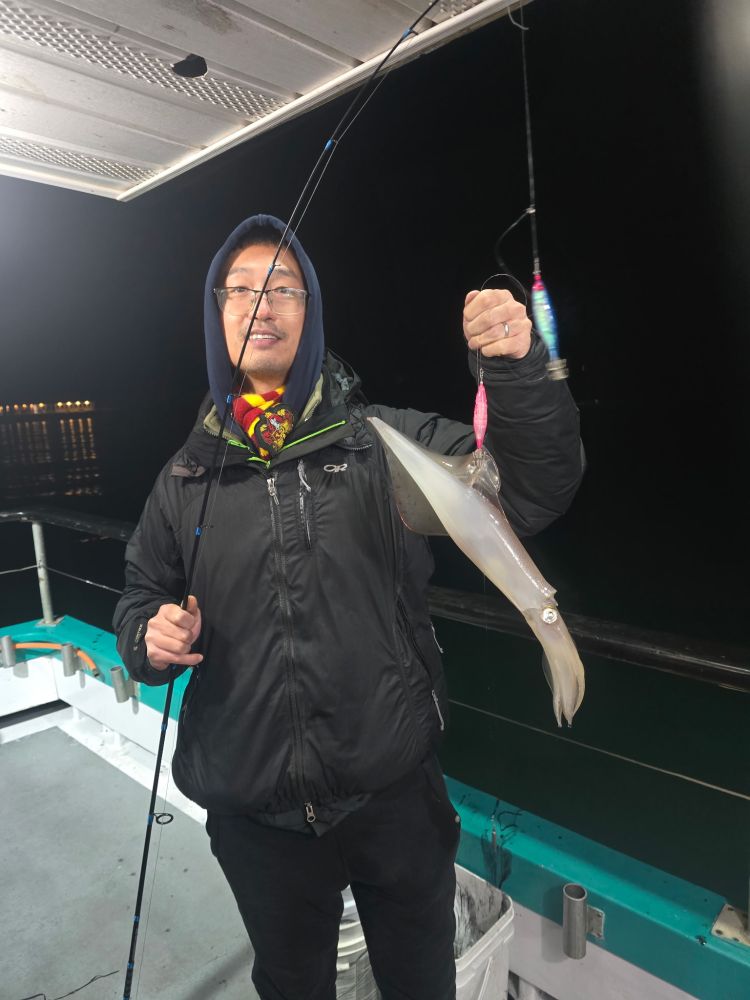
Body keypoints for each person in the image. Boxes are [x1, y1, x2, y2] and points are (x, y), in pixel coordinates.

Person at [113, 214, 583, 1000]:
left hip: (392, 798)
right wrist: (147, 638)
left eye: (283, 289)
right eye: (240, 291)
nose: (261, 305)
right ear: (216, 316)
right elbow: (139, 596)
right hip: (254, 815)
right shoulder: (185, 479)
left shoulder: (383, 448)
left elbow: (530, 492)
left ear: (311, 312)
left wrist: (516, 371)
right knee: (293, 986)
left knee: (419, 983)